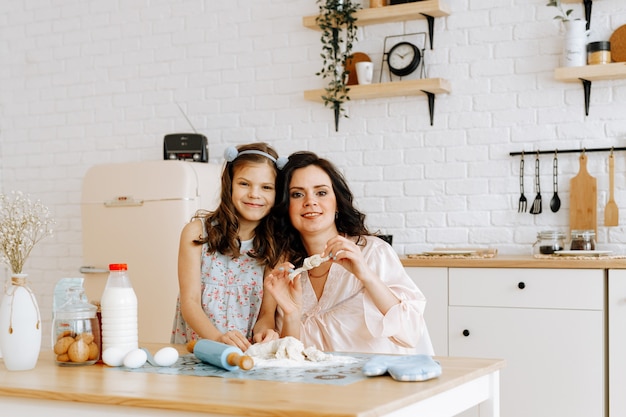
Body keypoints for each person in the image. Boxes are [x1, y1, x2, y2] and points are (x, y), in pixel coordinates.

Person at [265, 151, 434, 355]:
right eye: (297, 194)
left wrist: (365, 275)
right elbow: (289, 360)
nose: (310, 201)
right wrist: (291, 315)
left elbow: (410, 333)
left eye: (321, 192)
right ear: (286, 207)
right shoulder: (286, 273)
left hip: (380, 382)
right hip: (316, 386)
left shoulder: (373, 252)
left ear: (337, 201)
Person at [171, 142, 287, 351]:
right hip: (197, 349)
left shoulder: (275, 245)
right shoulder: (197, 233)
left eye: (266, 187)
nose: (254, 194)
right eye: (244, 184)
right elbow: (190, 302)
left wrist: (264, 332)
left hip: (243, 356)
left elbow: (266, 314)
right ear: (229, 184)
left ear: (277, 194)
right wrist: (218, 339)